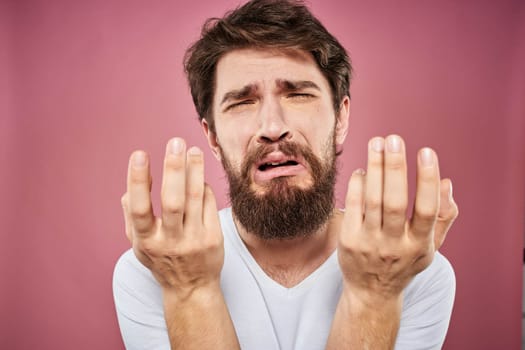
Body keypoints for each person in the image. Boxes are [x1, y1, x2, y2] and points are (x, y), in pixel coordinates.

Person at [113, 0, 459, 349]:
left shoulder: (413, 272)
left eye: (297, 94)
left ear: (340, 119)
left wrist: (377, 292)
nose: (273, 127)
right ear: (213, 138)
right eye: (242, 102)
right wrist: (188, 289)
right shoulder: (156, 271)